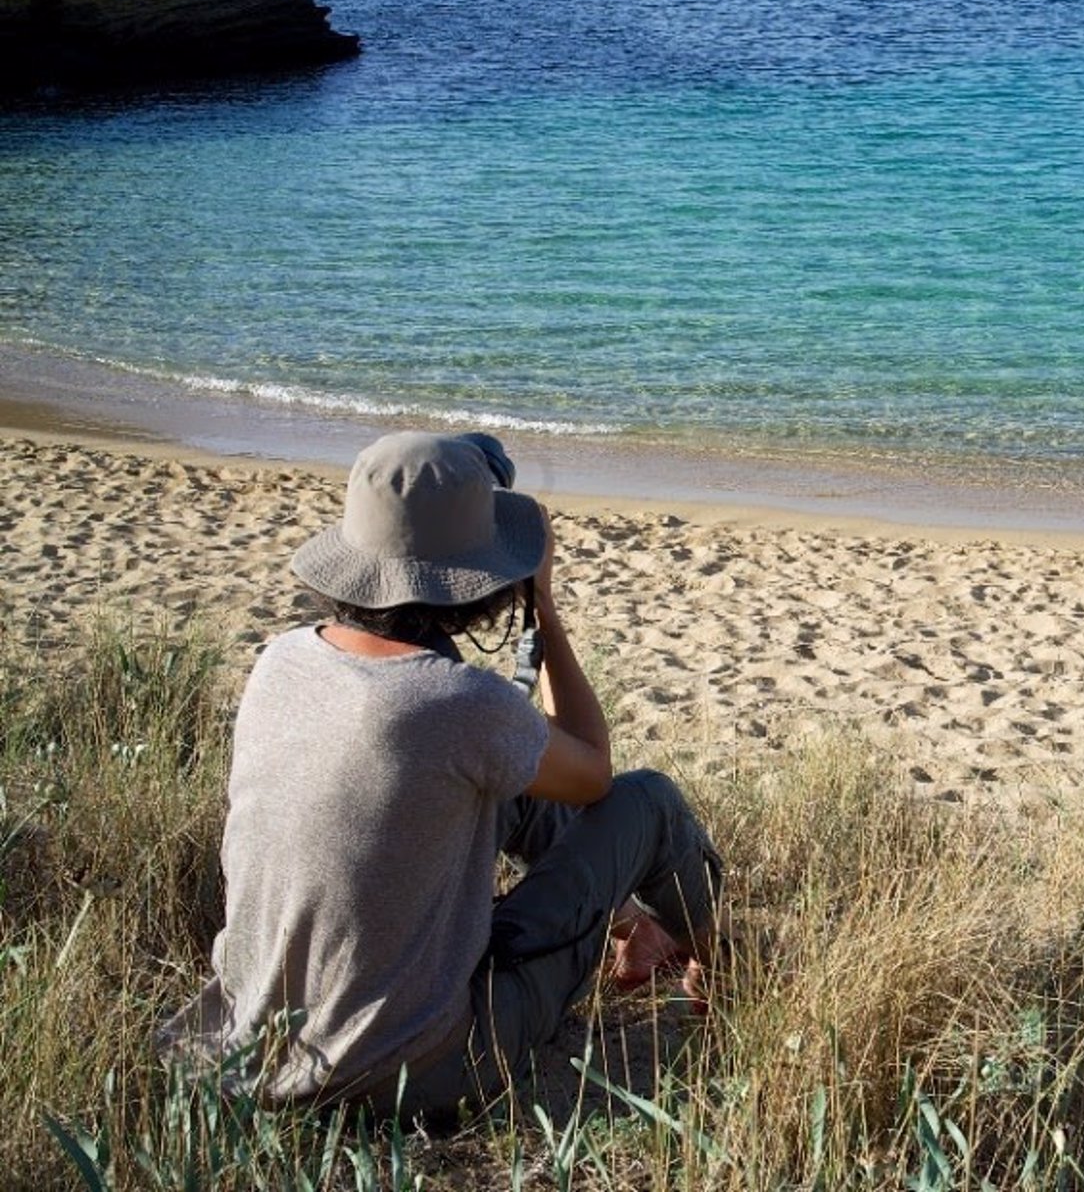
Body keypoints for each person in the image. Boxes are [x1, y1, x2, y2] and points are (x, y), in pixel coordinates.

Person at [159, 431, 722, 1119]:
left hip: (249, 1051)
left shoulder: (280, 660)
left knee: (504, 788)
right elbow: (594, 773)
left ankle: (637, 924)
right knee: (649, 800)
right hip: (412, 1074)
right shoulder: (461, 703)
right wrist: (542, 603)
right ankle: (715, 963)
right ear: (481, 577)